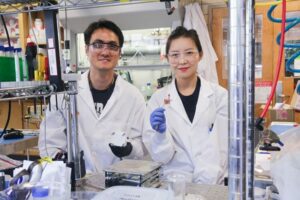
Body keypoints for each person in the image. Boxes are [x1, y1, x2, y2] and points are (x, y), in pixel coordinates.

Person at [38, 19, 145, 173]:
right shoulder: (63, 95)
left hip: (118, 182)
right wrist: (66, 165)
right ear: (86, 49)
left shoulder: (133, 96)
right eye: (98, 44)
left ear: (119, 53)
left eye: (112, 46)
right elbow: (49, 144)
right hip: (75, 183)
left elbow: (142, 145)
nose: (105, 52)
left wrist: (128, 149)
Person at [143, 26, 228, 184]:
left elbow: (221, 149)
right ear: (167, 58)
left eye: (189, 53)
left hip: (212, 183)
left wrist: (205, 185)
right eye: (175, 55)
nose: (182, 61)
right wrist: (160, 135)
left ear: (200, 55)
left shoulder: (220, 96)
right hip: (173, 184)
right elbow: (161, 157)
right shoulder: (157, 100)